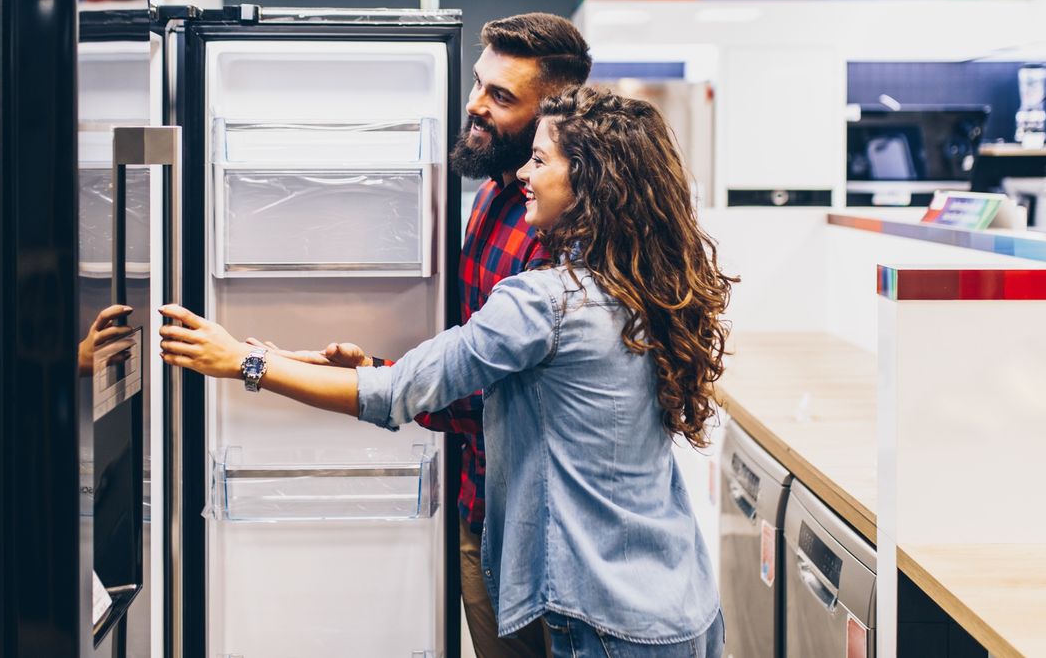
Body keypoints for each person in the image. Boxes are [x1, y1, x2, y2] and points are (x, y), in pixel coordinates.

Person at [159, 86, 735, 658]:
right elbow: (453, 379)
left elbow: (394, 393)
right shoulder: (646, 285)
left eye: (540, 160)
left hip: (602, 619)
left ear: (590, 179)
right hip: (680, 602)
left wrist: (246, 364)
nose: (524, 176)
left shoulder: (546, 302)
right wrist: (295, 358)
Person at [249, 12, 591, 658]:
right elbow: (473, 354)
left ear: (556, 114)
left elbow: (480, 389)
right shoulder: (495, 192)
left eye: (501, 96)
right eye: (478, 84)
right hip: (480, 499)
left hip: (546, 529)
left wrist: (258, 367)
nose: (475, 105)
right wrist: (372, 365)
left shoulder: (561, 246)